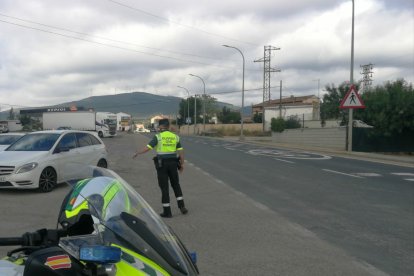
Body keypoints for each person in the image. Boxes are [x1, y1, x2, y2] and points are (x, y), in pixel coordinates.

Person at [132, 119, 188, 218]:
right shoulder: (175, 137)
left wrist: (138, 152)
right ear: (168, 126)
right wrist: (182, 164)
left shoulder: (158, 137)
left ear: (161, 127)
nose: (158, 128)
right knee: (176, 185)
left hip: (162, 165)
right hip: (174, 164)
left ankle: (167, 212)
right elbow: (181, 152)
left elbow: (148, 148)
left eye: (158, 126)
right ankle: (182, 206)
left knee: (164, 187)